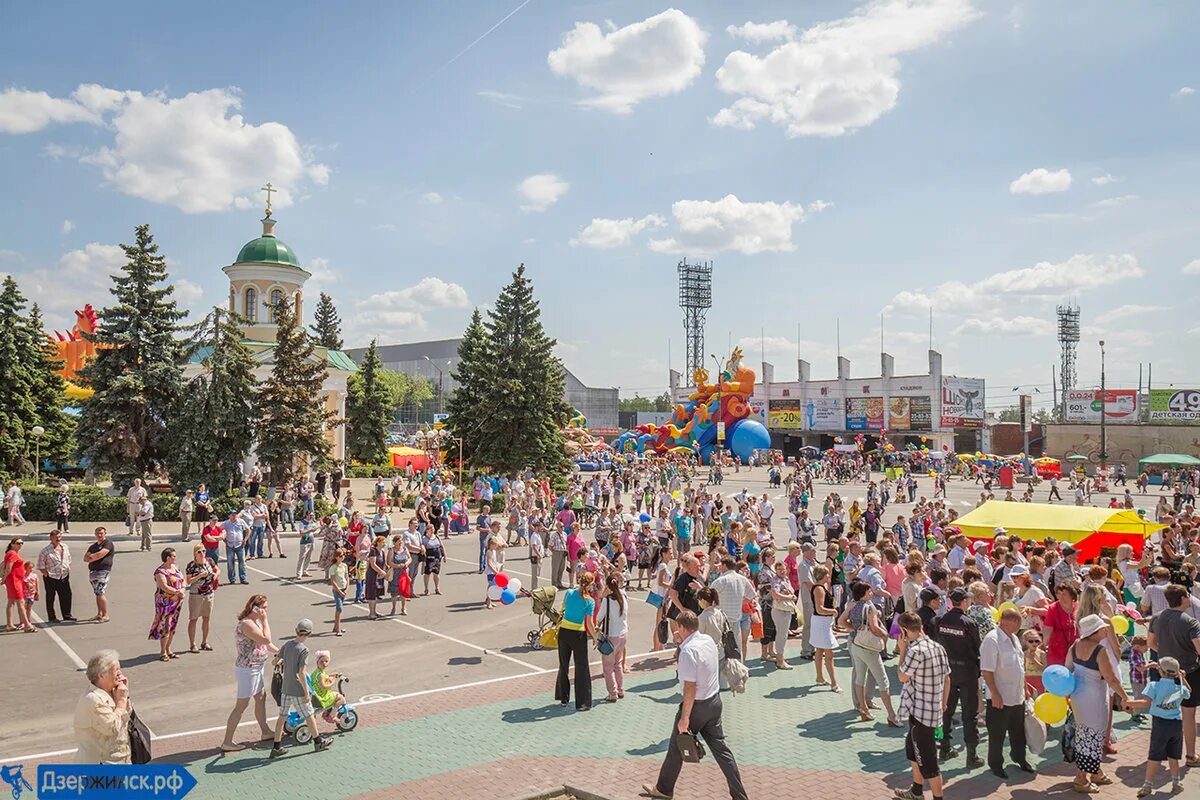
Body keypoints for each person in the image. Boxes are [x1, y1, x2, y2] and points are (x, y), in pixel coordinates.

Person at [642, 610, 748, 800]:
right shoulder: (707, 641)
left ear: (681, 627)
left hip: (696, 706)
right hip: (714, 701)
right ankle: (739, 795)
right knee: (722, 751)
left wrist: (685, 718)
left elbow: (690, 687)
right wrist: (681, 643)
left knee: (676, 747)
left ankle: (664, 789)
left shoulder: (688, 652)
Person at [1065, 614, 1132, 792]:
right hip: (1094, 699)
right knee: (1092, 737)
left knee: (1084, 734)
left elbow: (1067, 669)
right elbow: (1111, 678)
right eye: (1102, 628)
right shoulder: (1099, 651)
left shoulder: (1075, 646)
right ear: (1094, 631)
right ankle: (1081, 779)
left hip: (1078, 697)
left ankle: (1096, 772)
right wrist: (1125, 697)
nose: (1106, 629)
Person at [893, 611, 951, 800]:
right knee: (912, 751)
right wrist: (943, 703)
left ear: (904, 631)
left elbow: (902, 676)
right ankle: (916, 791)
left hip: (921, 715)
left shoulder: (915, 651)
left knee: (929, 763)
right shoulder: (937, 647)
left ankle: (937, 797)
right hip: (932, 710)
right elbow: (947, 678)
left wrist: (902, 649)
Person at [1147, 584, 1200, 766]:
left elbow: (1151, 643)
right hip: (1189, 673)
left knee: (1164, 713)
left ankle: (1160, 753)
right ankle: (1191, 755)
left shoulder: (1156, 618)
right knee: (1188, 714)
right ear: (1183, 598)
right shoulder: (1190, 622)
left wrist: (1165, 655)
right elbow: (1199, 648)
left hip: (1165, 673)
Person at [980, 607, 1035, 779]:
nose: (1020, 626)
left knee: (1018, 732)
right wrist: (995, 694)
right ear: (1011, 622)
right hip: (1000, 697)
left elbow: (1020, 666)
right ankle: (996, 764)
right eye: (1018, 622)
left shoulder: (1014, 639)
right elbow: (987, 670)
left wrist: (1024, 687)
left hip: (1016, 695)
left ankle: (1019, 758)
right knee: (997, 733)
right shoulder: (992, 640)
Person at [220, 594, 278, 752]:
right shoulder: (247, 624)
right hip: (248, 669)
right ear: (255, 608)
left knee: (260, 698)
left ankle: (265, 731)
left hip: (257, 666)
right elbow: (266, 639)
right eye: (264, 608)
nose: (266, 611)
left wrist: (280, 652)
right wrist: (265, 620)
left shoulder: (255, 621)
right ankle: (227, 741)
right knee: (241, 705)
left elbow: (266, 645)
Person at [1126, 655, 1190, 797]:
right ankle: (1176, 783)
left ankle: (1147, 785)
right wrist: (1182, 678)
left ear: (1160, 671)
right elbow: (1188, 692)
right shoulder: (1179, 687)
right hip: (1176, 724)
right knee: (1174, 756)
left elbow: (1145, 703)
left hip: (1160, 724)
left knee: (1154, 756)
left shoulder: (1154, 685)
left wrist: (1128, 702)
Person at [933, 587, 983, 766]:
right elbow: (978, 648)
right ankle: (972, 755)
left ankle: (943, 747)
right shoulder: (968, 623)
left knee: (945, 710)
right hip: (967, 671)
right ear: (963, 602)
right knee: (969, 714)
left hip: (947, 671)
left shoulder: (939, 620)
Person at [270, 618, 331, 757]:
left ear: (296, 630)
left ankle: (276, 747)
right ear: (309, 633)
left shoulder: (287, 645)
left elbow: (274, 662)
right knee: (309, 715)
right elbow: (301, 673)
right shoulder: (303, 650)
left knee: (282, 716)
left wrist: (282, 659)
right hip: (297, 689)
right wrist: (306, 692)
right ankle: (318, 742)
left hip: (285, 687)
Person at [841, 580, 898, 727]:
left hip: (856, 644)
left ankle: (863, 709)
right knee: (883, 681)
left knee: (860, 678)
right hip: (869, 648)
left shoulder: (852, 604)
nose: (872, 593)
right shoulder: (870, 607)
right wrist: (884, 635)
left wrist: (855, 629)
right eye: (870, 591)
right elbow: (874, 627)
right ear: (865, 593)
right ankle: (891, 715)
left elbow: (841, 621)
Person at [74, 649, 130, 763]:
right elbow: (112, 728)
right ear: (101, 675)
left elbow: (127, 721)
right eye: (116, 670)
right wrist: (122, 701)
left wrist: (125, 696)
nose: (120, 673)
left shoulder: (113, 691)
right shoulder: (93, 700)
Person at [555, 571, 597, 711]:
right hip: (578, 635)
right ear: (590, 584)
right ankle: (582, 703)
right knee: (582, 667)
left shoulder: (569, 593)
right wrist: (596, 638)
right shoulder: (590, 601)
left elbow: (563, 609)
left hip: (564, 632)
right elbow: (589, 624)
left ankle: (563, 698)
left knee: (563, 665)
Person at [148, 547, 185, 661]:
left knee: (173, 625)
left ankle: (169, 649)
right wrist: (177, 592)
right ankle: (163, 651)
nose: (175, 557)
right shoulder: (160, 572)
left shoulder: (175, 567)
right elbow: (164, 586)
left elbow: (183, 581)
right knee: (165, 626)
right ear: (167, 558)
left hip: (177, 601)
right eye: (173, 556)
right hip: (165, 602)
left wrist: (182, 591)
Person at [597, 573, 629, 703]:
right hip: (623, 634)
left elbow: (599, 617)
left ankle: (613, 693)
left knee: (608, 667)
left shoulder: (607, 600)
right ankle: (620, 689)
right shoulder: (623, 595)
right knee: (618, 664)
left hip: (611, 636)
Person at [809, 564, 840, 691]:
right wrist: (833, 611)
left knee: (820, 650)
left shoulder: (821, 587)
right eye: (827, 574)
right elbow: (820, 609)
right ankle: (834, 683)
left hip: (822, 622)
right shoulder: (819, 589)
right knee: (829, 654)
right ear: (822, 576)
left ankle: (820, 677)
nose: (829, 575)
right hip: (822, 623)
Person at [37, 530, 75, 623]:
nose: (58, 539)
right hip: (51, 577)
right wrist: (47, 574)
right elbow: (41, 566)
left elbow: (68, 558)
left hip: (64, 576)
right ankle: (52, 617)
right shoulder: (45, 551)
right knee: (51, 597)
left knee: (66, 595)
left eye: (59, 537)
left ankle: (67, 615)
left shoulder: (65, 547)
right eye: (56, 537)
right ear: (51, 538)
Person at [185, 545, 217, 652]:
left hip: (209, 593)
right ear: (195, 554)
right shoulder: (192, 565)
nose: (202, 553)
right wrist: (200, 576)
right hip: (196, 594)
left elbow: (217, 570)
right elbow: (188, 581)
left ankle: (204, 642)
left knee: (206, 618)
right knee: (193, 619)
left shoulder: (209, 561)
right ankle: (192, 644)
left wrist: (214, 575)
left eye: (204, 551)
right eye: (199, 552)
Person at [3, 537, 35, 632]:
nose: (20, 545)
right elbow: (8, 568)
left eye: (21, 543)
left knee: (11, 602)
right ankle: (27, 625)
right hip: (14, 581)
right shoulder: (12, 554)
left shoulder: (12, 553)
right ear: (12, 544)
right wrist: (4, 579)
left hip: (15, 580)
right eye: (18, 543)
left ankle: (10, 624)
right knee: (21, 602)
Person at [82, 527, 114, 624]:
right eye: (97, 533)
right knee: (97, 593)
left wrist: (92, 557)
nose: (99, 535)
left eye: (101, 533)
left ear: (105, 533)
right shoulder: (93, 546)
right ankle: (99, 614)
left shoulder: (108, 543)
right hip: (93, 572)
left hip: (103, 571)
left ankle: (105, 615)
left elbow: (100, 554)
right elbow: (85, 558)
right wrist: (91, 558)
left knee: (100, 592)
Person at [221, 509, 249, 585]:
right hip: (230, 545)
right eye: (232, 514)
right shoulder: (226, 523)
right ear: (229, 515)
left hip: (240, 545)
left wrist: (245, 539)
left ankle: (243, 578)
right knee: (230, 563)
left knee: (242, 562)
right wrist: (224, 540)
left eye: (235, 514)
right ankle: (232, 579)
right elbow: (219, 530)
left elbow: (248, 530)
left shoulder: (241, 521)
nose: (234, 516)